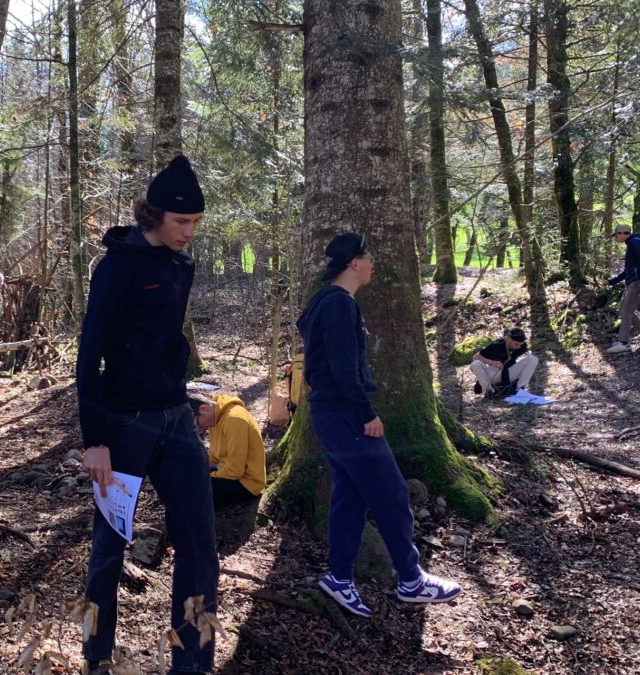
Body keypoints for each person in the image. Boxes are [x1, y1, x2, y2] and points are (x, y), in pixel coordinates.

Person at [76, 155, 217, 675]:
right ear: (153, 215)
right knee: (109, 548)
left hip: (175, 420)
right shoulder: (116, 267)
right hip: (122, 424)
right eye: (182, 223)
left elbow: (168, 340)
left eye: (196, 224)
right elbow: (91, 355)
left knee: (200, 544)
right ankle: (95, 653)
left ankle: (193, 661)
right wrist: (95, 439)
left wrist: (183, 394)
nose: (189, 233)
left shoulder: (183, 265)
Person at [296, 232, 462, 618]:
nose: (373, 264)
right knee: (391, 492)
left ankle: (339, 578)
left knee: (350, 497)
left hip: (330, 416)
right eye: (369, 257)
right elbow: (342, 369)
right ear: (354, 263)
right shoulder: (338, 304)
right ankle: (411, 579)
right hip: (345, 416)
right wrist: (366, 413)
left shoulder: (325, 301)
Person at [190, 394, 267, 507]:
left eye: (197, 424)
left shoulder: (235, 419)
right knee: (188, 478)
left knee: (192, 489)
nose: (199, 429)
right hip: (227, 471)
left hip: (246, 483)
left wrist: (207, 476)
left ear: (203, 409)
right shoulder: (215, 417)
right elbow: (215, 456)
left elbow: (235, 470)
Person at [607, 224, 640, 354]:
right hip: (635, 281)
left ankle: (624, 343)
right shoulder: (633, 243)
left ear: (622, 233)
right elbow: (628, 270)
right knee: (626, 308)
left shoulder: (635, 243)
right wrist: (611, 281)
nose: (616, 238)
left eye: (616, 235)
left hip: (638, 282)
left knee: (626, 309)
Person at [470, 327, 538, 399]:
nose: (519, 347)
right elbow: (476, 357)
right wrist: (492, 362)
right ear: (509, 339)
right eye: (516, 344)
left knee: (533, 359)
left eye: (520, 344)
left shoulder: (522, 347)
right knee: (475, 364)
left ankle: (520, 390)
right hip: (494, 373)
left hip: (509, 373)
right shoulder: (496, 346)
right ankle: (488, 391)